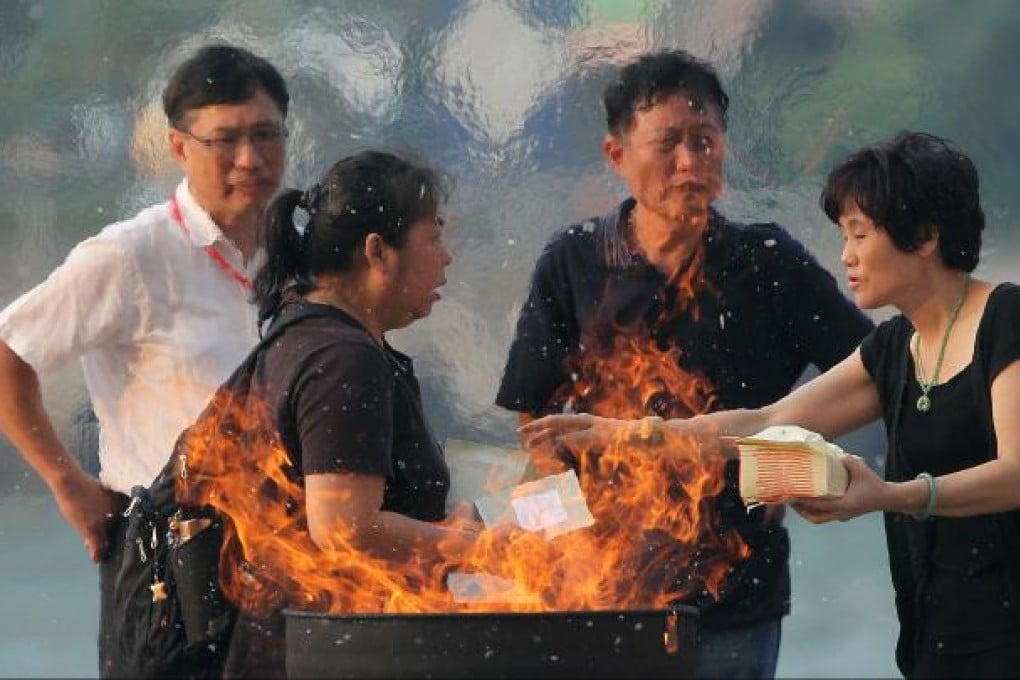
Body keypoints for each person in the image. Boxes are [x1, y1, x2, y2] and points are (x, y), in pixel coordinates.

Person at [522, 131, 1020, 678]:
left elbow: (1015, 474)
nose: (846, 256)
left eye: (859, 234)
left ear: (925, 237)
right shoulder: (894, 347)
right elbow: (768, 420)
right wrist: (623, 435)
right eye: (843, 235)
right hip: (938, 632)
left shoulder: (1005, 321)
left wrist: (890, 496)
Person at [496, 49, 874, 678]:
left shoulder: (767, 263)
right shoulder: (574, 264)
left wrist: (784, 461)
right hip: (603, 597)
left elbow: (871, 374)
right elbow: (532, 428)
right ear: (617, 156)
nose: (689, 163)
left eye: (705, 141)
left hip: (735, 596)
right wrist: (564, 545)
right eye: (667, 143)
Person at [0, 44, 289, 676]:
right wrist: (65, 482)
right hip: (169, 560)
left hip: (286, 559)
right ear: (180, 147)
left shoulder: (302, 253)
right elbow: (8, 354)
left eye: (266, 135)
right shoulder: (131, 256)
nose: (250, 159)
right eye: (225, 141)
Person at [218, 149, 482, 677]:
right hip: (333, 651)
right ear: (378, 252)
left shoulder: (304, 332)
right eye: (433, 239)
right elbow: (344, 529)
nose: (446, 257)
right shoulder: (343, 358)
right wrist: (473, 546)